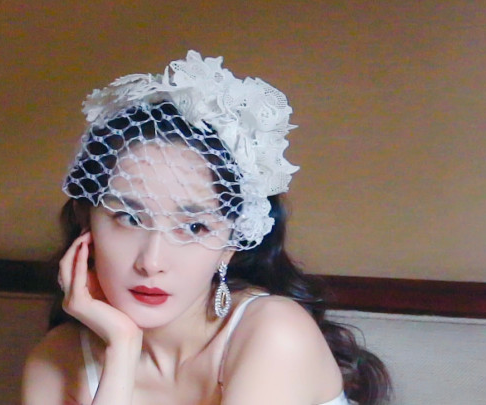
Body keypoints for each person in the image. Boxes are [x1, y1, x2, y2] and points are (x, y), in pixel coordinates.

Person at [22, 51, 390, 405]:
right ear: (86, 222)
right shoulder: (56, 360)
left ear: (232, 243)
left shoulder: (274, 333)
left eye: (194, 227)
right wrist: (123, 348)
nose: (151, 262)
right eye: (129, 218)